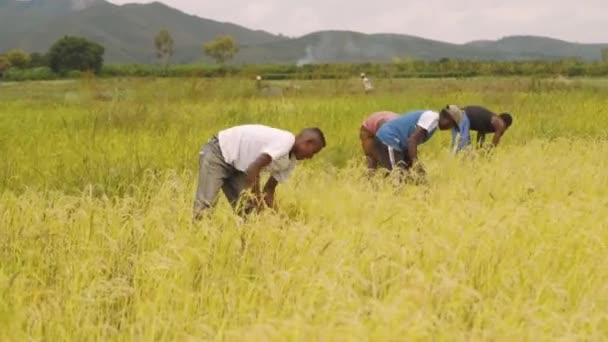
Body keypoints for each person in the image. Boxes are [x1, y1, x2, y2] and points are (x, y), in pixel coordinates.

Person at [193, 125, 326, 220]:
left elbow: (269, 190)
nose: (311, 157)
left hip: (238, 167)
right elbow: (254, 169)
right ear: (307, 143)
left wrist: (274, 217)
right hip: (219, 152)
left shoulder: (290, 163)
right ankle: (197, 247)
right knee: (204, 210)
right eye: (313, 152)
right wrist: (257, 199)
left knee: (250, 213)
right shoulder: (286, 140)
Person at [373, 105, 462, 175]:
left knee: (412, 176)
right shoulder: (432, 118)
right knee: (398, 176)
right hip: (389, 139)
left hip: (397, 144)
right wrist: (416, 164)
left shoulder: (433, 124)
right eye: (451, 125)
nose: (449, 128)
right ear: (447, 118)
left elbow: (409, 143)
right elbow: (412, 140)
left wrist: (413, 165)